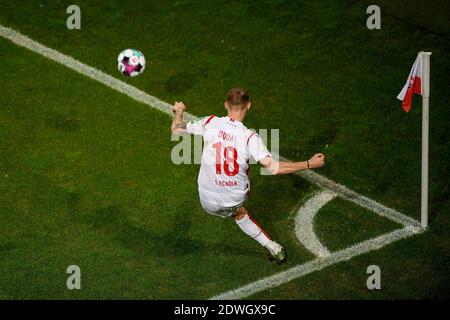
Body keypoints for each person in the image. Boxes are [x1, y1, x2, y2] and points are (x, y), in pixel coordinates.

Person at [171, 88, 325, 263]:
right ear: (249, 106)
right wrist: (308, 164)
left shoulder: (210, 122)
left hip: (206, 198)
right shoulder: (249, 137)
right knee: (238, 212)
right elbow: (274, 169)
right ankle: (273, 247)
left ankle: (274, 248)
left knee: (236, 212)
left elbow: (176, 130)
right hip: (233, 199)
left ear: (225, 105)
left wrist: (178, 112)